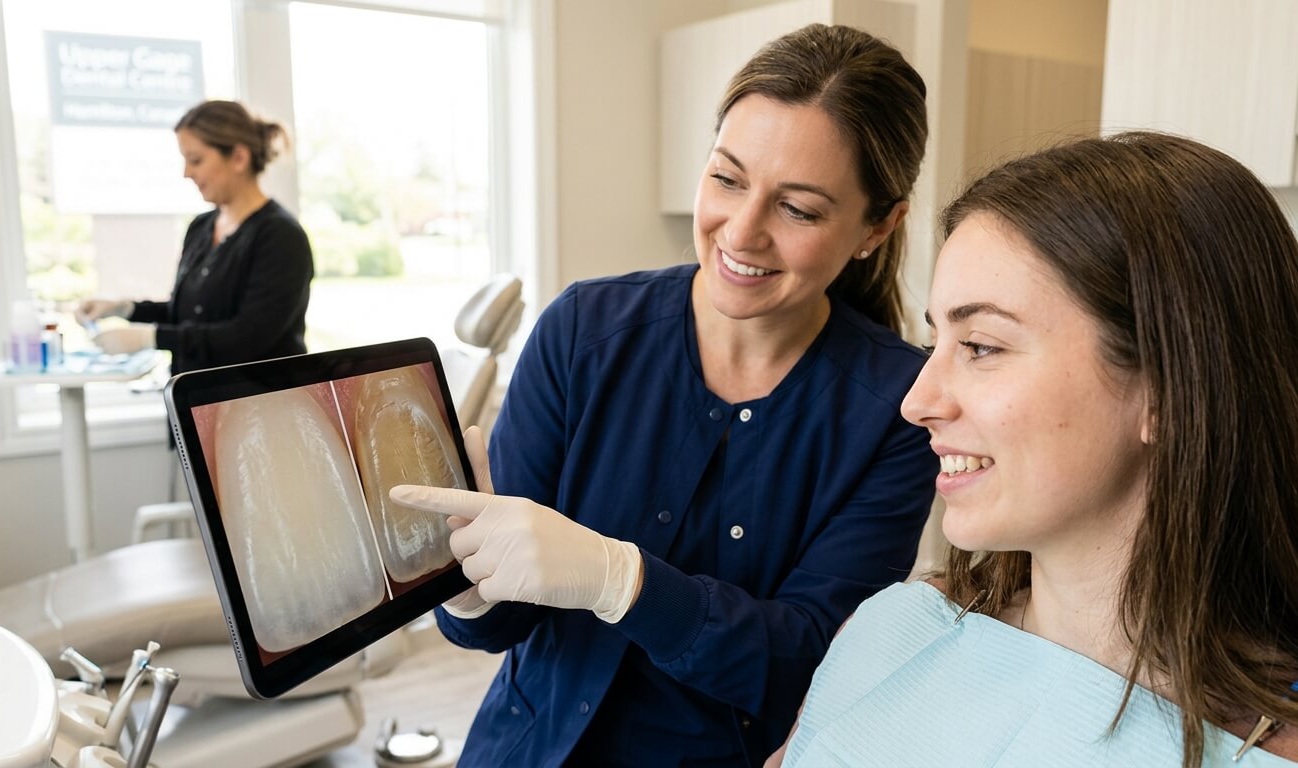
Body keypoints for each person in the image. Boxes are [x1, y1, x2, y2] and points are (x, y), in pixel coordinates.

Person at [388, 24, 938, 767]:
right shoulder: (584, 332)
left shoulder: (898, 408)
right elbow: (494, 629)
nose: (740, 233)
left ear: (878, 226)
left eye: (798, 209)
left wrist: (624, 580)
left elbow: (806, 664)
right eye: (727, 178)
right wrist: (465, 582)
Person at [772, 132, 1298, 767]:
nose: (917, 402)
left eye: (982, 346)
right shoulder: (895, 629)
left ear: (1170, 391)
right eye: (937, 341)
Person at [76, 100, 313, 376]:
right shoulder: (201, 227)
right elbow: (189, 315)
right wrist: (124, 309)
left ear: (238, 157)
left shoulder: (280, 237)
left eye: (196, 160)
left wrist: (150, 338)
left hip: (256, 406)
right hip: (194, 402)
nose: (186, 173)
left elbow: (249, 337)